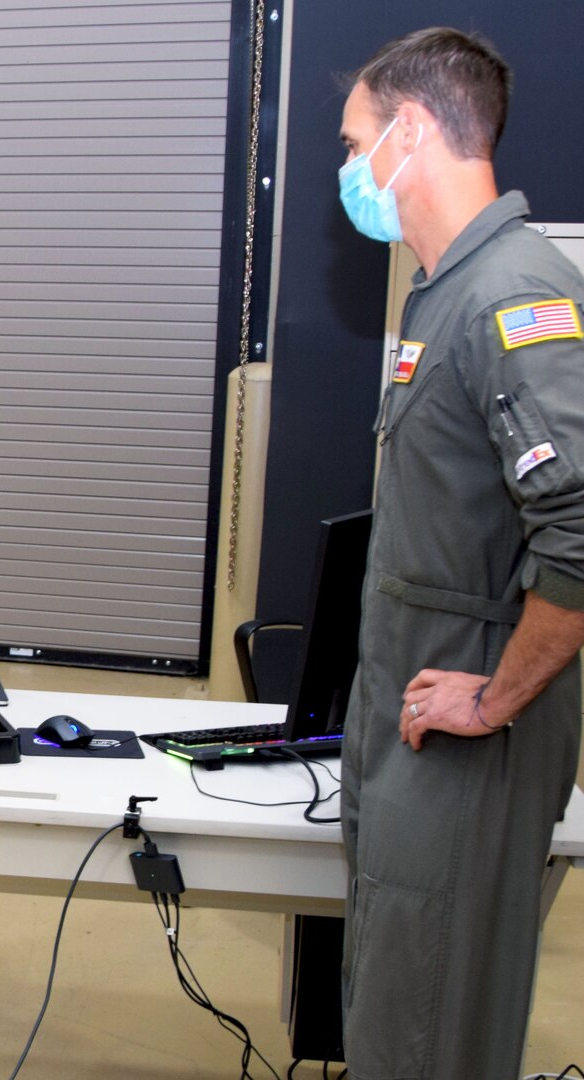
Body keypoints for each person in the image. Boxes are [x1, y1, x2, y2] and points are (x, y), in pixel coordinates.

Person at [336, 29, 584, 1079]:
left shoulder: (511, 298)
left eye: (352, 143)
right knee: (398, 1005)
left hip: (467, 723)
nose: (347, 172)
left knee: (428, 1021)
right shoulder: (441, 289)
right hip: (408, 704)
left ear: (410, 130)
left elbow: (578, 527)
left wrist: (493, 701)